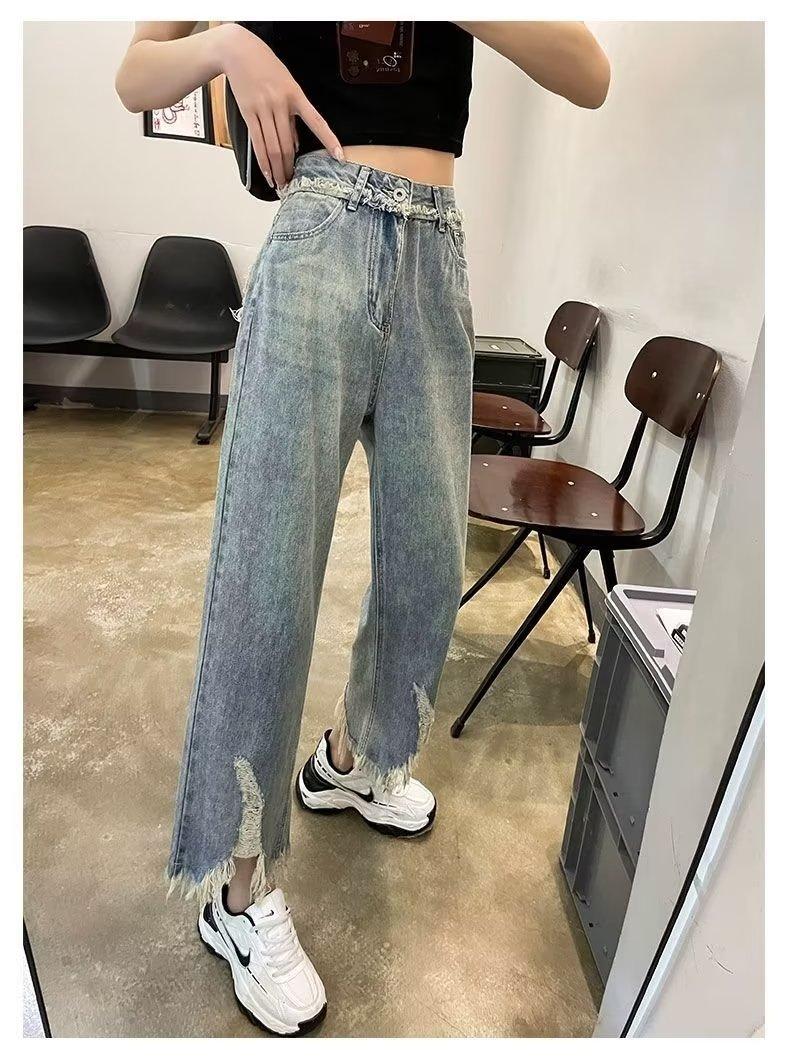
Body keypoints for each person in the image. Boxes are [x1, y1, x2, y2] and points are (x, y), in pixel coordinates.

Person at [116, 20, 610, 1036]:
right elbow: (136, 74)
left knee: (427, 562)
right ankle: (237, 887)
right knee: (268, 577)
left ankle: (348, 760)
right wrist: (228, 43)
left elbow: (589, 74)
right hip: (321, 236)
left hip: (437, 249)